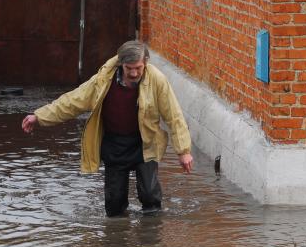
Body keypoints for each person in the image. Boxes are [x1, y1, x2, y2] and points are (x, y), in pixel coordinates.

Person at [22, 40, 193, 216]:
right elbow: (73, 101)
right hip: (114, 144)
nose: (134, 73)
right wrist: (39, 117)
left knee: (150, 196)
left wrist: (183, 151)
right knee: (114, 203)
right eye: (129, 68)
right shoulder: (103, 80)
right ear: (121, 65)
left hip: (145, 143)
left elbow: (174, 115)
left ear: (146, 63)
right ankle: (117, 239)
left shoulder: (157, 80)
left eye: (138, 68)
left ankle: (150, 237)